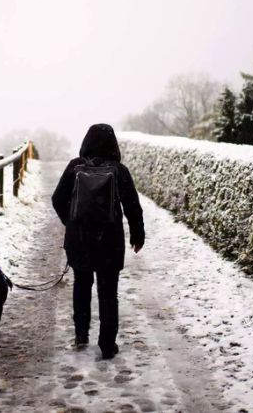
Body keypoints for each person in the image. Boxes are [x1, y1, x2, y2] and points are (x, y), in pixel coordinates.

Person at [51, 124, 144, 359]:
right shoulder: (119, 170)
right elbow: (133, 206)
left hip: (79, 239)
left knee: (81, 285)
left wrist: (70, 222)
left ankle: (81, 334)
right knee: (108, 292)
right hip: (109, 241)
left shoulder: (75, 167)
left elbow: (57, 199)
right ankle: (107, 344)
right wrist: (137, 235)